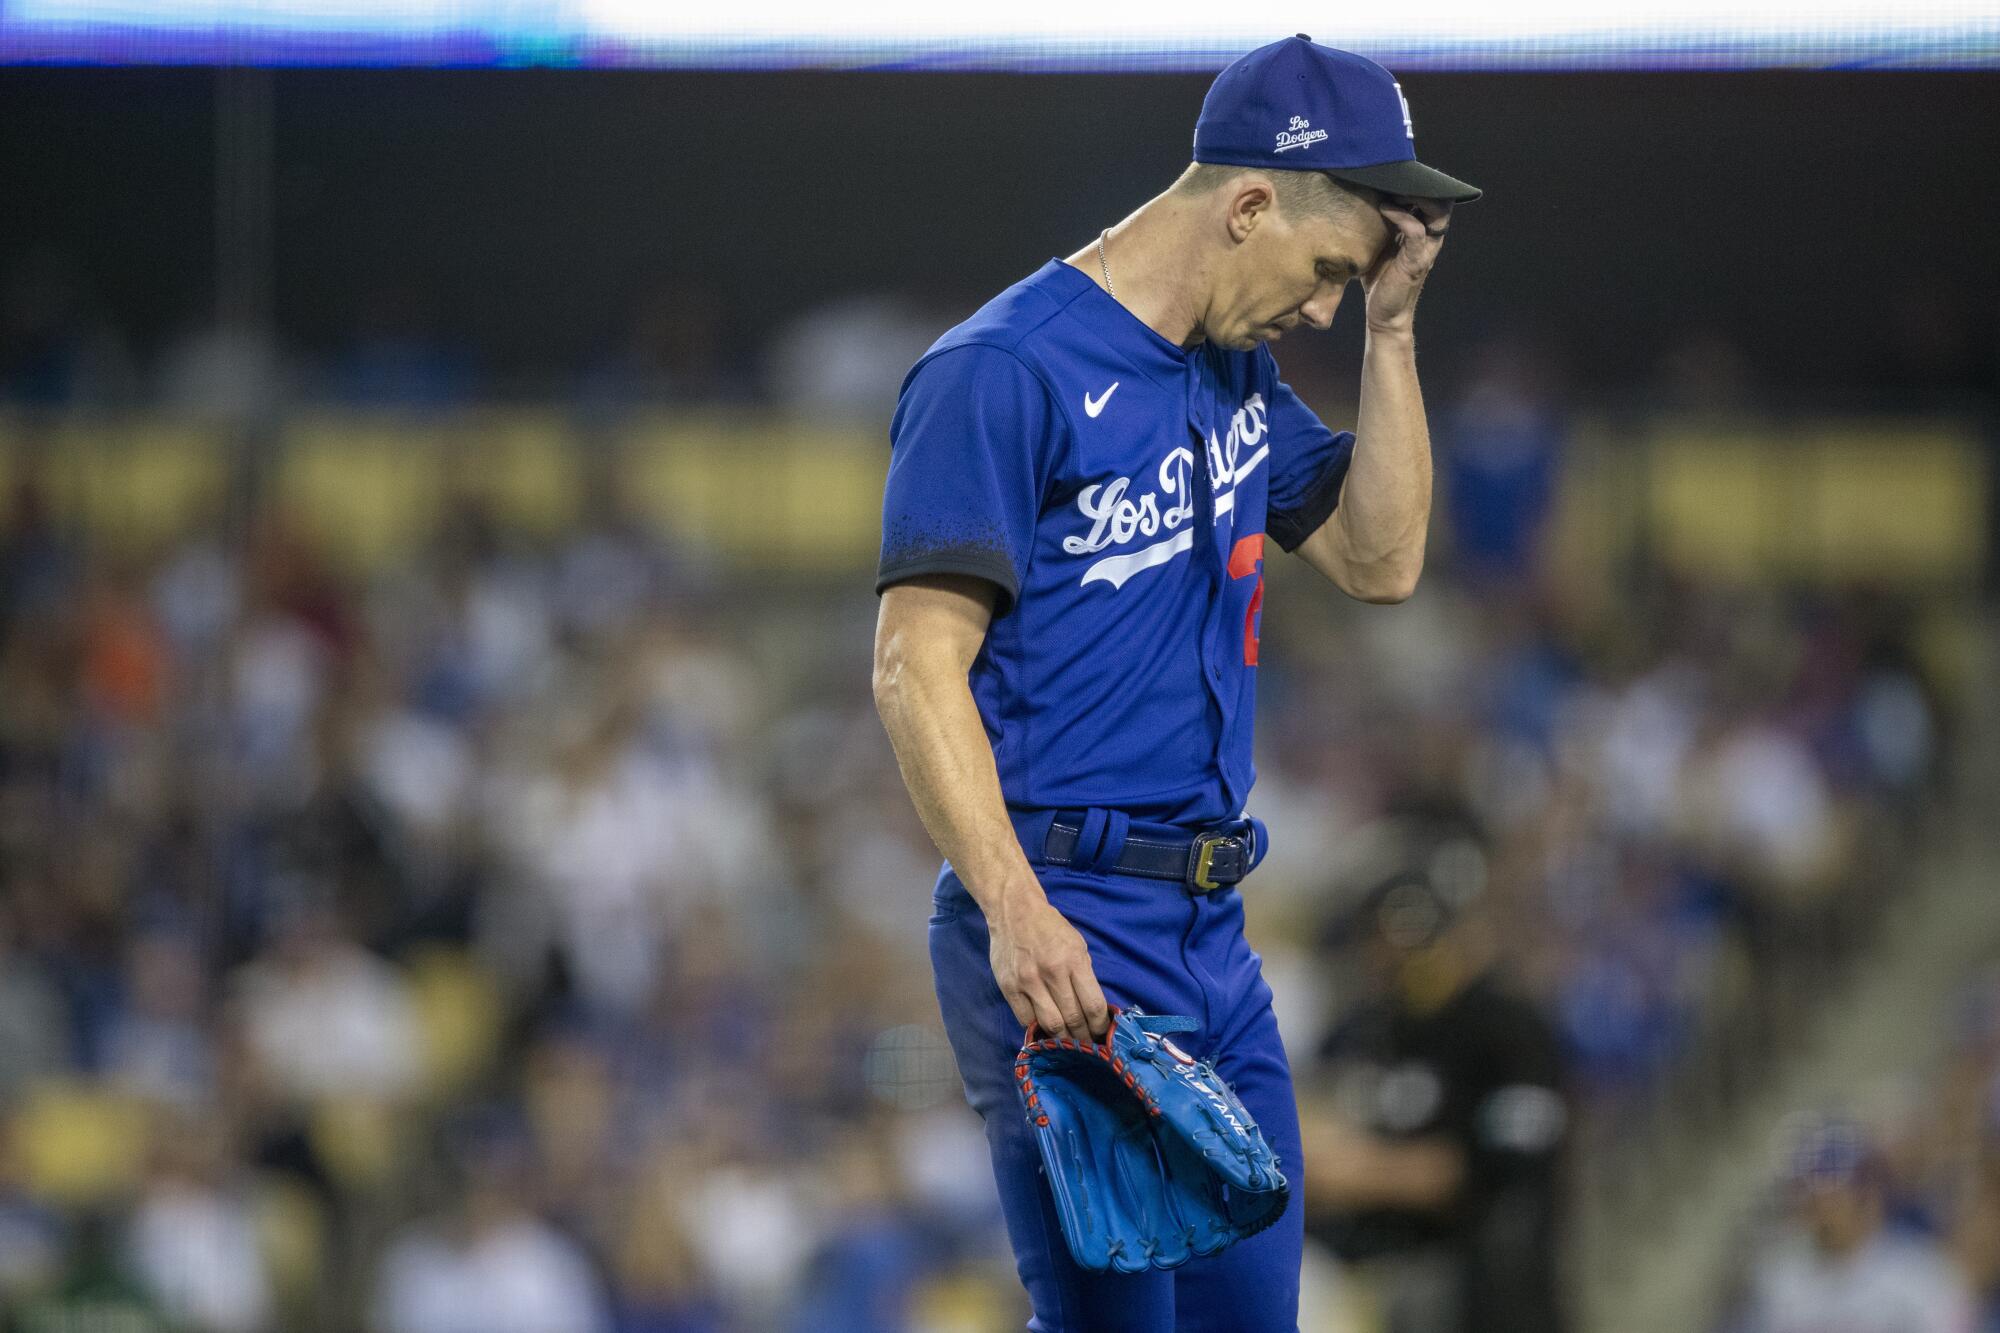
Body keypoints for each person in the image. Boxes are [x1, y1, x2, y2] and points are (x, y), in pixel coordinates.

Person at [870, 34, 1478, 1331]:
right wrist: (1018, 912)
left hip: (1211, 934)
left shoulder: (1231, 370)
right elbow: (914, 663)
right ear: (1250, 204)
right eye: (1326, 271)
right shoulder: (1002, 371)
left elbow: (1381, 559)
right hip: (1064, 925)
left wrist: (1392, 326)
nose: (1321, 306)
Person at [1304, 864, 1569, 1333]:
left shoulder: (1507, 1030)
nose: (1392, 968)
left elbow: (1485, 1175)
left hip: (1490, 1291)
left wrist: (1363, 1170)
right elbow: (1328, 1115)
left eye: (1408, 950)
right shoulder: (1385, 1026)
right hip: (1385, 1274)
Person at [1740, 1117, 1973, 1333]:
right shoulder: (1778, 1276)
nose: (1821, 1206)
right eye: (1811, 1191)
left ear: (1869, 1196)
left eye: (1833, 1193)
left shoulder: (1922, 1274)